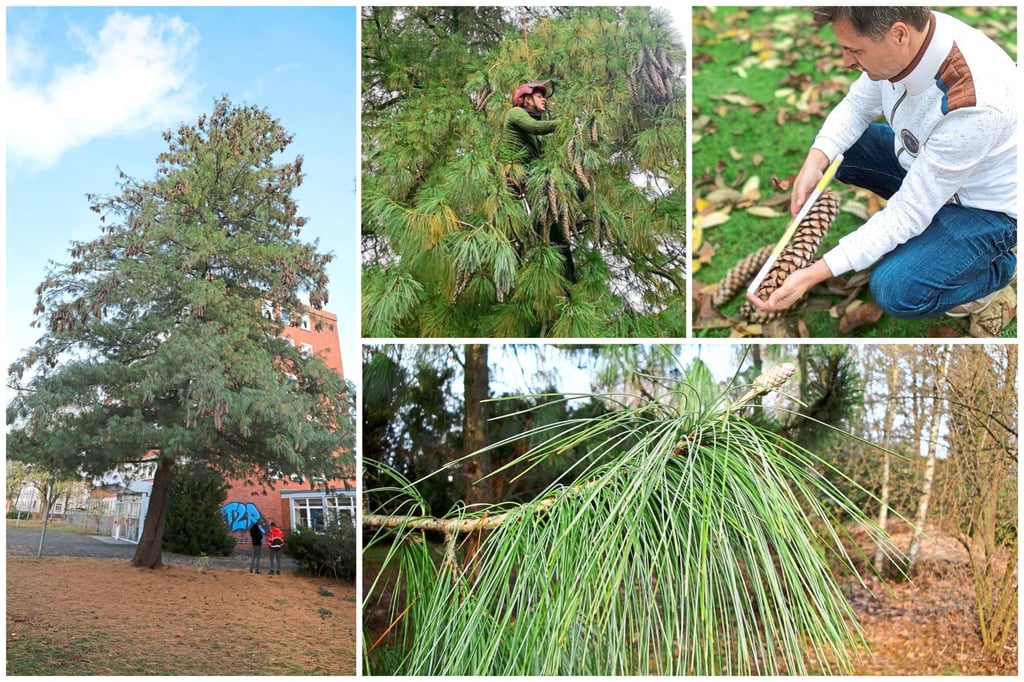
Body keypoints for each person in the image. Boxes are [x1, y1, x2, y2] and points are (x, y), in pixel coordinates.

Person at [747, 7, 1016, 324]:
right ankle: (935, 241)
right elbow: (856, 106)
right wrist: (814, 162)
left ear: (899, 34)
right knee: (839, 148)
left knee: (894, 290)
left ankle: (1000, 265)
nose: (847, 61)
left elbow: (909, 211)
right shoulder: (913, 40)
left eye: (855, 50)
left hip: (986, 208)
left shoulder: (973, 106)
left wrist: (811, 274)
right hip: (929, 167)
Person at [501, 80, 576, 283]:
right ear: (525, 99)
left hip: (530, 182)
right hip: (513, 178)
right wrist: (563, 124)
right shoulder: (516, 113)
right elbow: (534, 127)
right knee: (529, 227)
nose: (544, 99)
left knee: (555, 229)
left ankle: (567, 276)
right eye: (539, 95)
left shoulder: (536, 141)